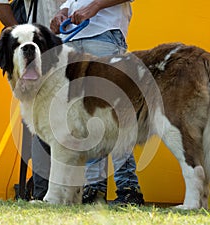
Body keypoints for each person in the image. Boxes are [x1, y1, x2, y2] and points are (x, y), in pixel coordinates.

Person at [50, 0, 144, 205]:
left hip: (105, 34)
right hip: (72, 38)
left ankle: (127, 188)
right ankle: (94, 188)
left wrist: (95, 6)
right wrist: (62, 12)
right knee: (87, 119)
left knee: (115, 116)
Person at [0, 0, 65, 201]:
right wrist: (19, 34)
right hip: (36, 51)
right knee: (40, 127)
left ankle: (69, 191)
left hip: (67, 46)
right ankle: (42, 191)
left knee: (68, 128)